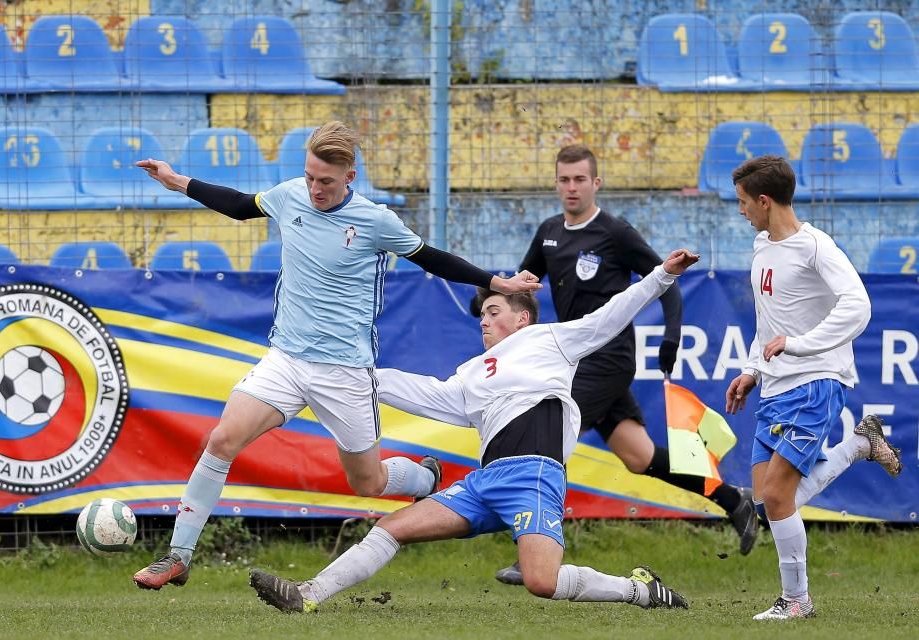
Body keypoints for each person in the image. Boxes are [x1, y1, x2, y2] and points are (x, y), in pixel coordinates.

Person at [131, 121, 542, 590]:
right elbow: (242, 207)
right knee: (222, 440)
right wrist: (176, 180)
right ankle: (178, 556)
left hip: (344, 371)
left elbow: (431, 258)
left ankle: (425, 481)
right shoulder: (290, 197)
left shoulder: (375, 221)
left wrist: (499, 282)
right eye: (309, 177)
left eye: (325, 181)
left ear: (350, 175)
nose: (315, 188)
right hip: (286, 360)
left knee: (367, 483)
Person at [249, 249, 701, 614]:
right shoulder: (470, 374)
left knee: (541, 582)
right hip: (484, 483)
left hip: (534, 475)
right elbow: (424, 392)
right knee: (393, 527)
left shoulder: (550, 341)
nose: (483, 319)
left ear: (522, 318)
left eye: (493, 310)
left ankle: (639, 590)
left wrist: (661, 274)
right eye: (481, 313)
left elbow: (610, 316)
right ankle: (307, 594)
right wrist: (357, 379)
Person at [494, 144, 757, 587]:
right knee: (639, 457)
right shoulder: (549, 232)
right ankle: (734, 499)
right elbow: (523, 283)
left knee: (548, 433)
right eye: (564, 179)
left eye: (580, 179)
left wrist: (672, 334)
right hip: (574, 358)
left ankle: (535, 549)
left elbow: (666, 281)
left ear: (596, 183)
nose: (572, 187)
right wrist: (489, 298)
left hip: (610, 358)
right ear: (556, 183)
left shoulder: (615, 233)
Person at [724, 155, 902, 621]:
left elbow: (857, 306)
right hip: (775, 387)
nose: (740, 210)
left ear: (764, 201)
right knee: (768, 503)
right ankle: (862, 443)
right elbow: (769, 324)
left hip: (814, 384)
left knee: (779, 499)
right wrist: (751, 370)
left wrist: (803, 347)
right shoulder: (763, 246)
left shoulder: (815, 246)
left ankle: (797, 600)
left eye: (743, 202)